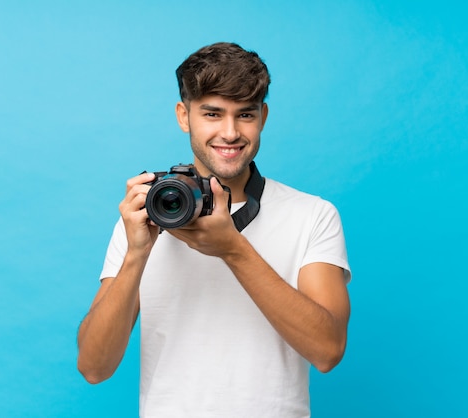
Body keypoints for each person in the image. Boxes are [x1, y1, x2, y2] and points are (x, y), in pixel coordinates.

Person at [77, 42, 351, 417]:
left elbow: (328, 350)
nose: (230, 132)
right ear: (183, 116)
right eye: (212, 113)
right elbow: (94, 367)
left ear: (263, 117)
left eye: (245, 115)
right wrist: (137, 253)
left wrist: (233, 249)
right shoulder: (146, 215)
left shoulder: (312, 215)